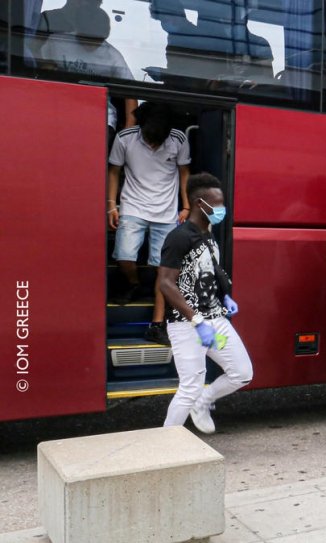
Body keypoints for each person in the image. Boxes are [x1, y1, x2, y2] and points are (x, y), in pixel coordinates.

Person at [159, 173, 252, 433]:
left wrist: (225, 296)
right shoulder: (179, 237)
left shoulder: (207, 234)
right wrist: (197, 321)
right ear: (201, 204)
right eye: (218, 204)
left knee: (242, 372)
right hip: (189, 328)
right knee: (190, 386)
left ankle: (204, 402)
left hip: (214, 325)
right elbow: (165, 283)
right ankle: (163, 445)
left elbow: (209, 272)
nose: (222, 210)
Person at [108, 101, 191, 345]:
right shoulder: (125, 138)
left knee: (163, 270)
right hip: (133, 206)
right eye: (151, 139)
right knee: (124, 256)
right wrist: (110, 205)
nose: (155, 144)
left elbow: (185, 173)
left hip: (166, 212)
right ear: (141, 126)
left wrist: (185, 206)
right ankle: (134, 283)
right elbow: (114, 171)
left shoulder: (178, 139)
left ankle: (157, 325)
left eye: (159, 140)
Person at [35, 5, 137, 140]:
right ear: (78, 31)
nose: (93, 45)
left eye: (98, 41)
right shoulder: (57, 42)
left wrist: (127, 133)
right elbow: (38, 64)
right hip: (59, 109)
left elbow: (131, 93)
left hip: (99, 117)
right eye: (89, 40)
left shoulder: (113, 57)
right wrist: (48, 68)